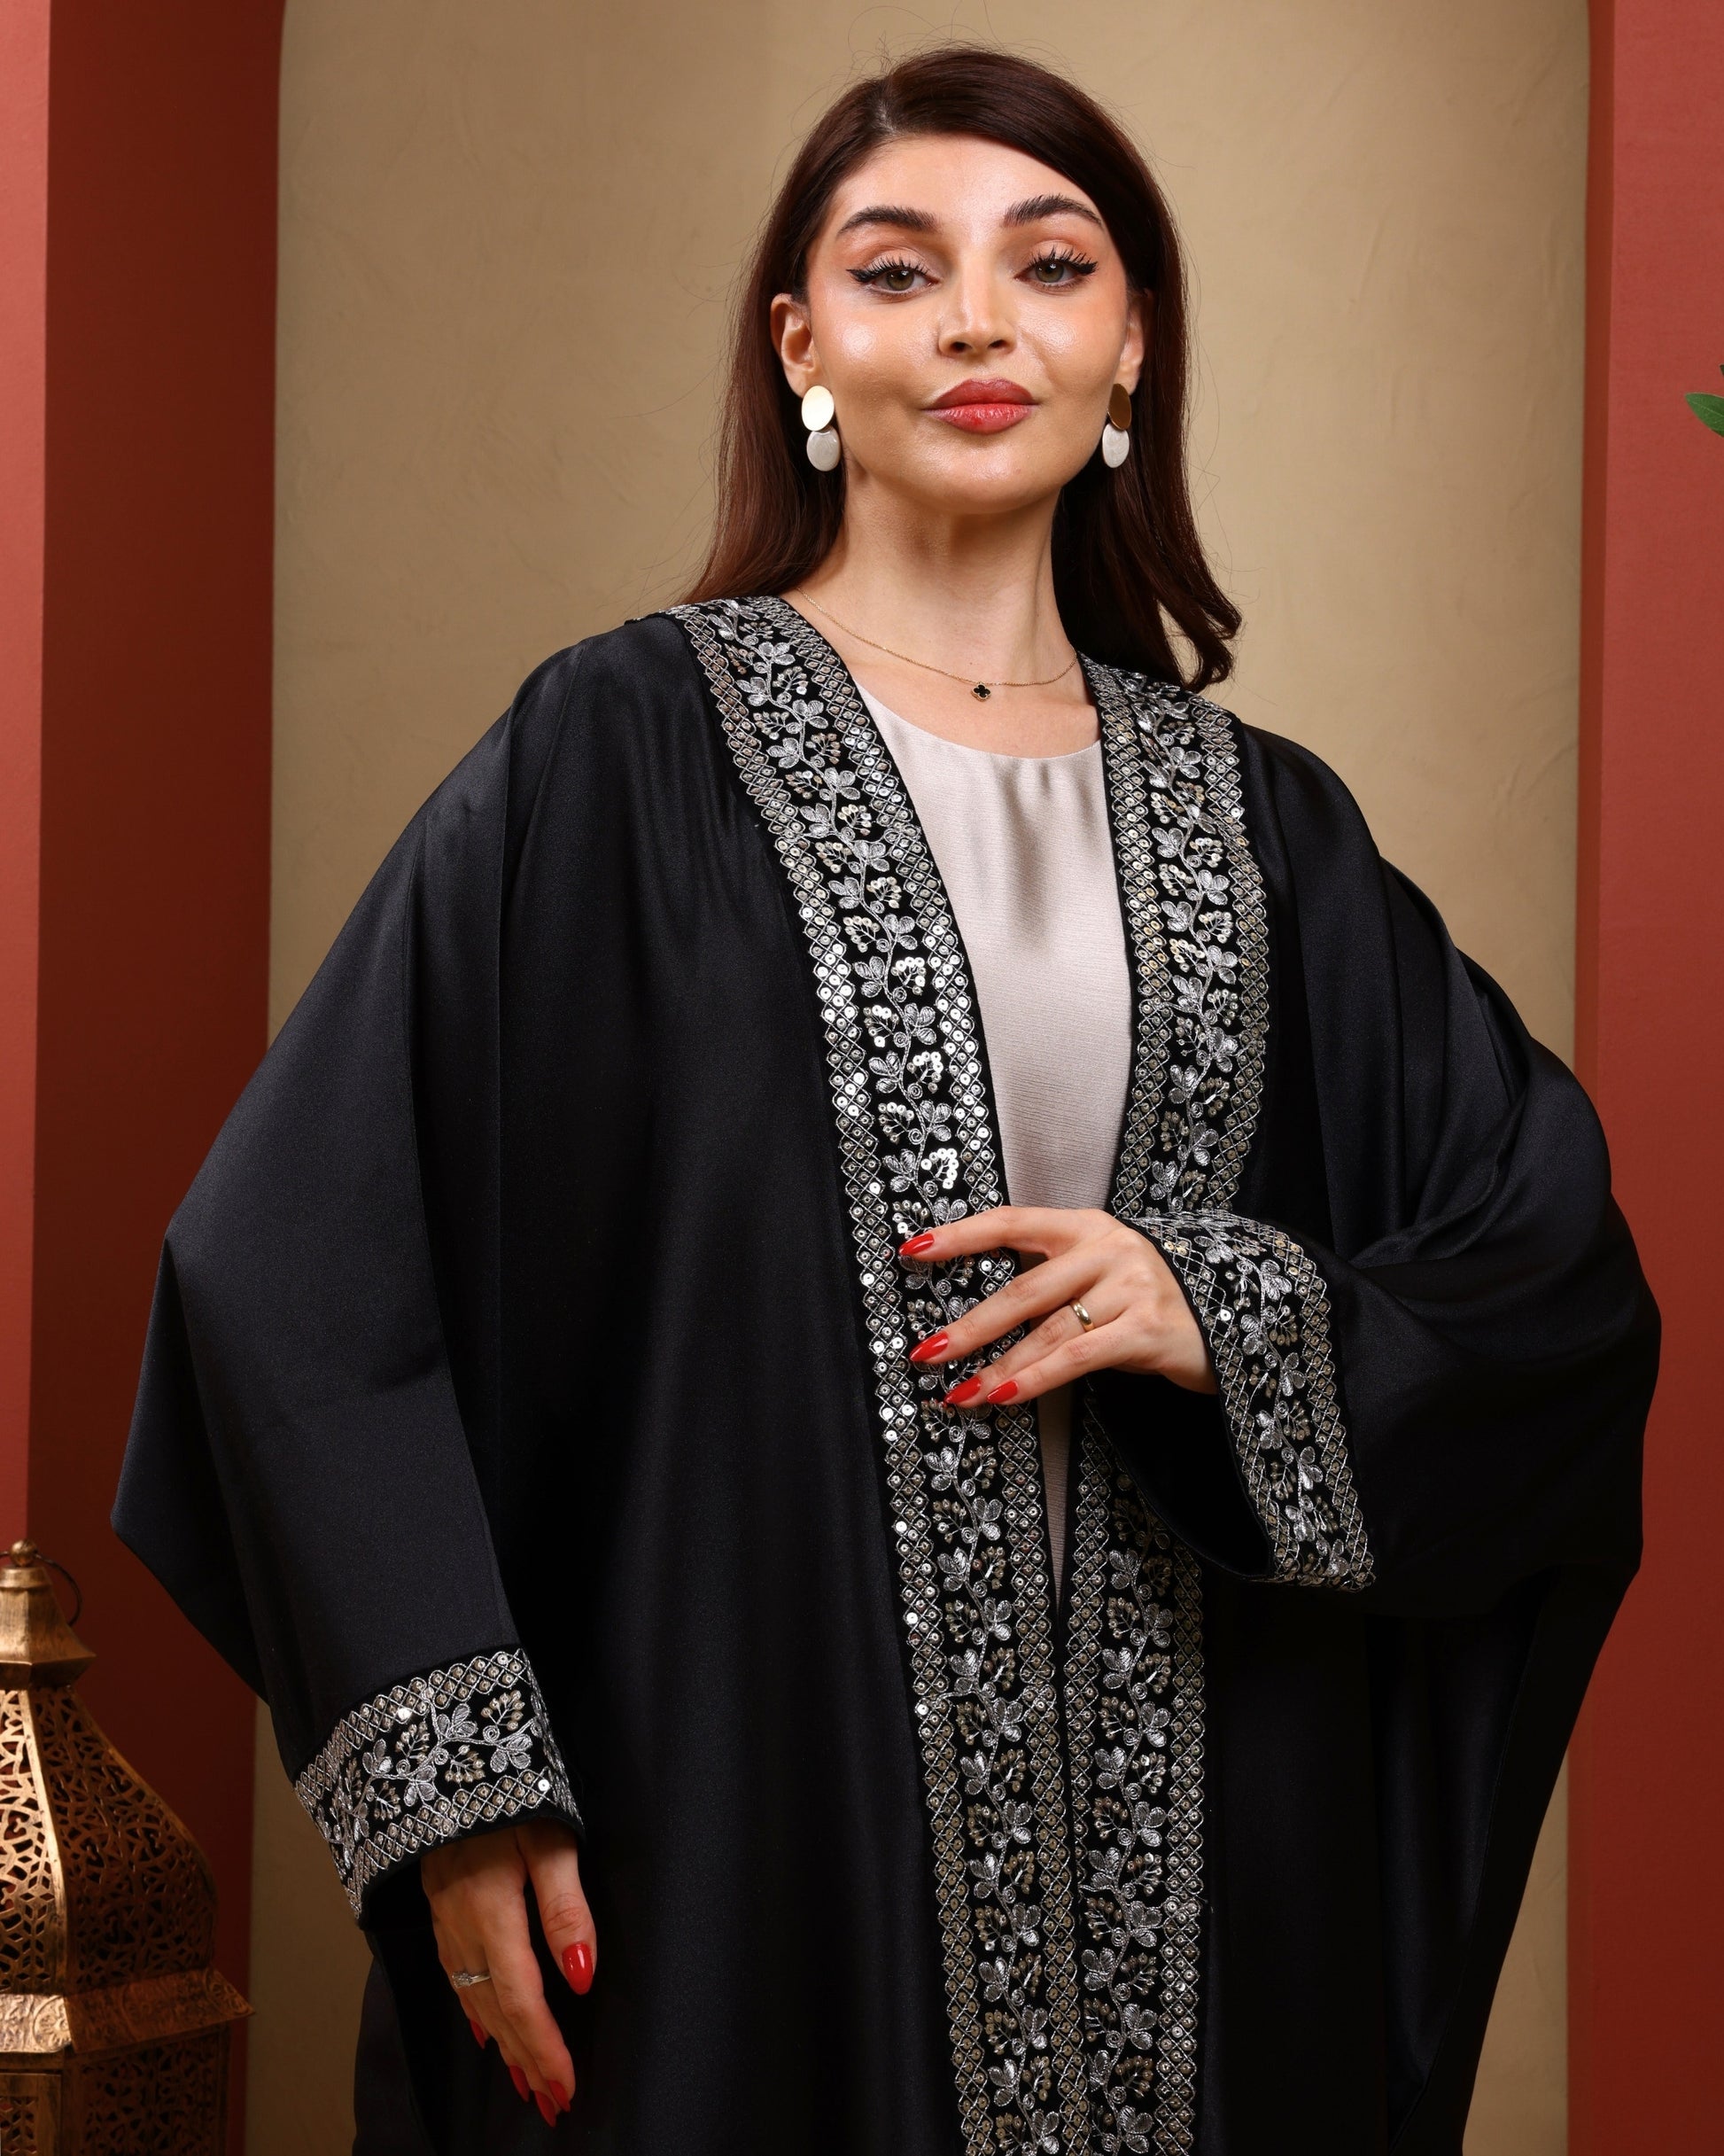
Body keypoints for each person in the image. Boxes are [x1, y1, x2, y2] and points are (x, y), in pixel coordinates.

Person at [112, 44, 1658, 2156]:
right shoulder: (618, 755)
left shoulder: (1267, 826)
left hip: (1202, 1892)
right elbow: (286, 1260)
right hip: (731, 1839)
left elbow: (1548, 1278)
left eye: (1047, 263)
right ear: (802, 346)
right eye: (896, 267)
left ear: (1130, 347)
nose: (975, 321)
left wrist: (1226, 1312)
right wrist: (458, 1790)